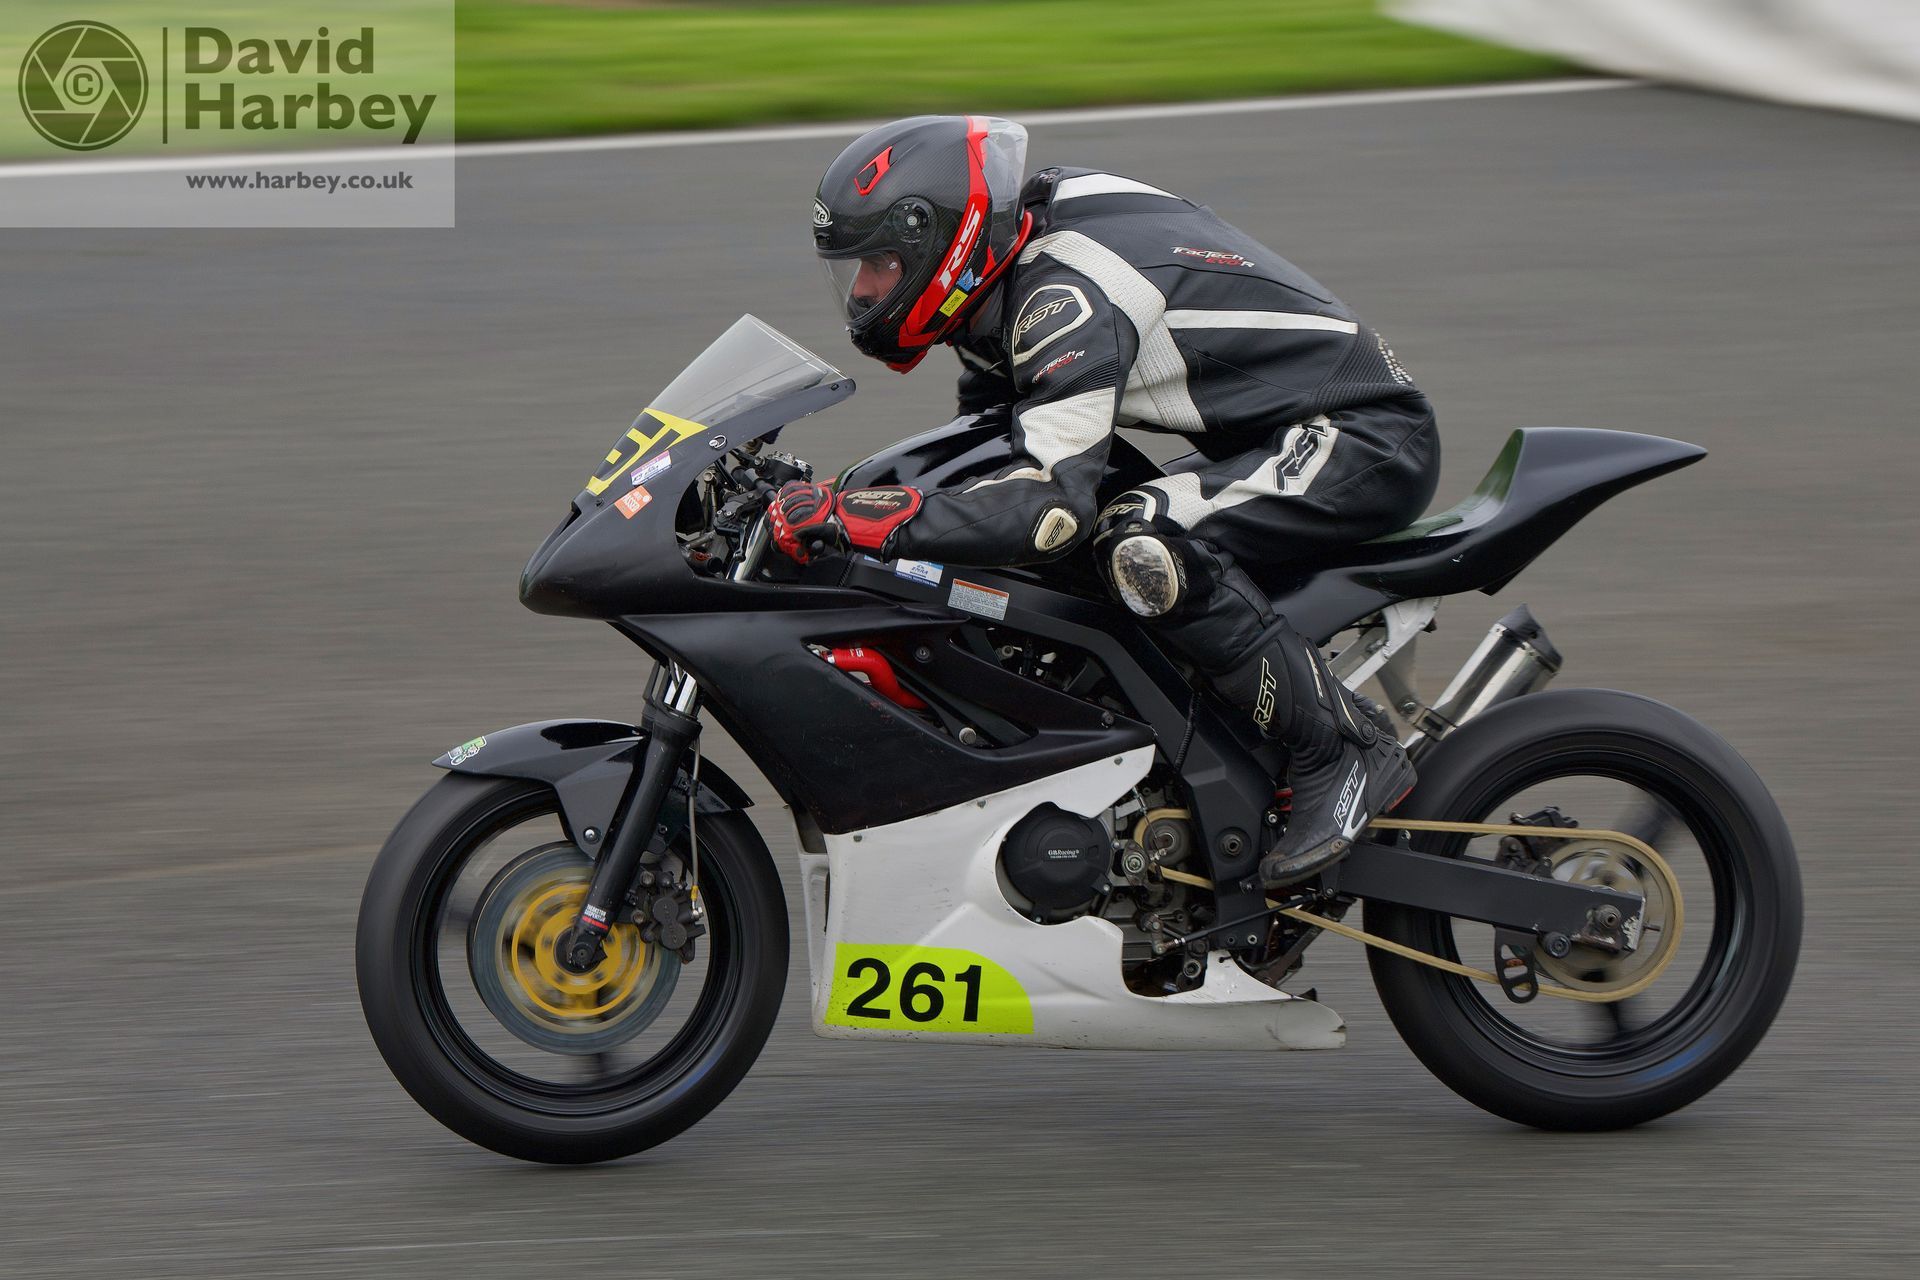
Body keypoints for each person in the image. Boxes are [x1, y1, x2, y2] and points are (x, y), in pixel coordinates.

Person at [769, 114, 1439, 888]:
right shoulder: (1006, 259)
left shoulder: (1064, 297)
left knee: (1138, 542)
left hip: (1360, 438)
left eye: (881, 263)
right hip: (1270, 432)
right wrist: (850, 501)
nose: (862, 290)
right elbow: (983, 443)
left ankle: (1344, 746)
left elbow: (1048, 511)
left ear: (944, 241)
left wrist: (861, 518)